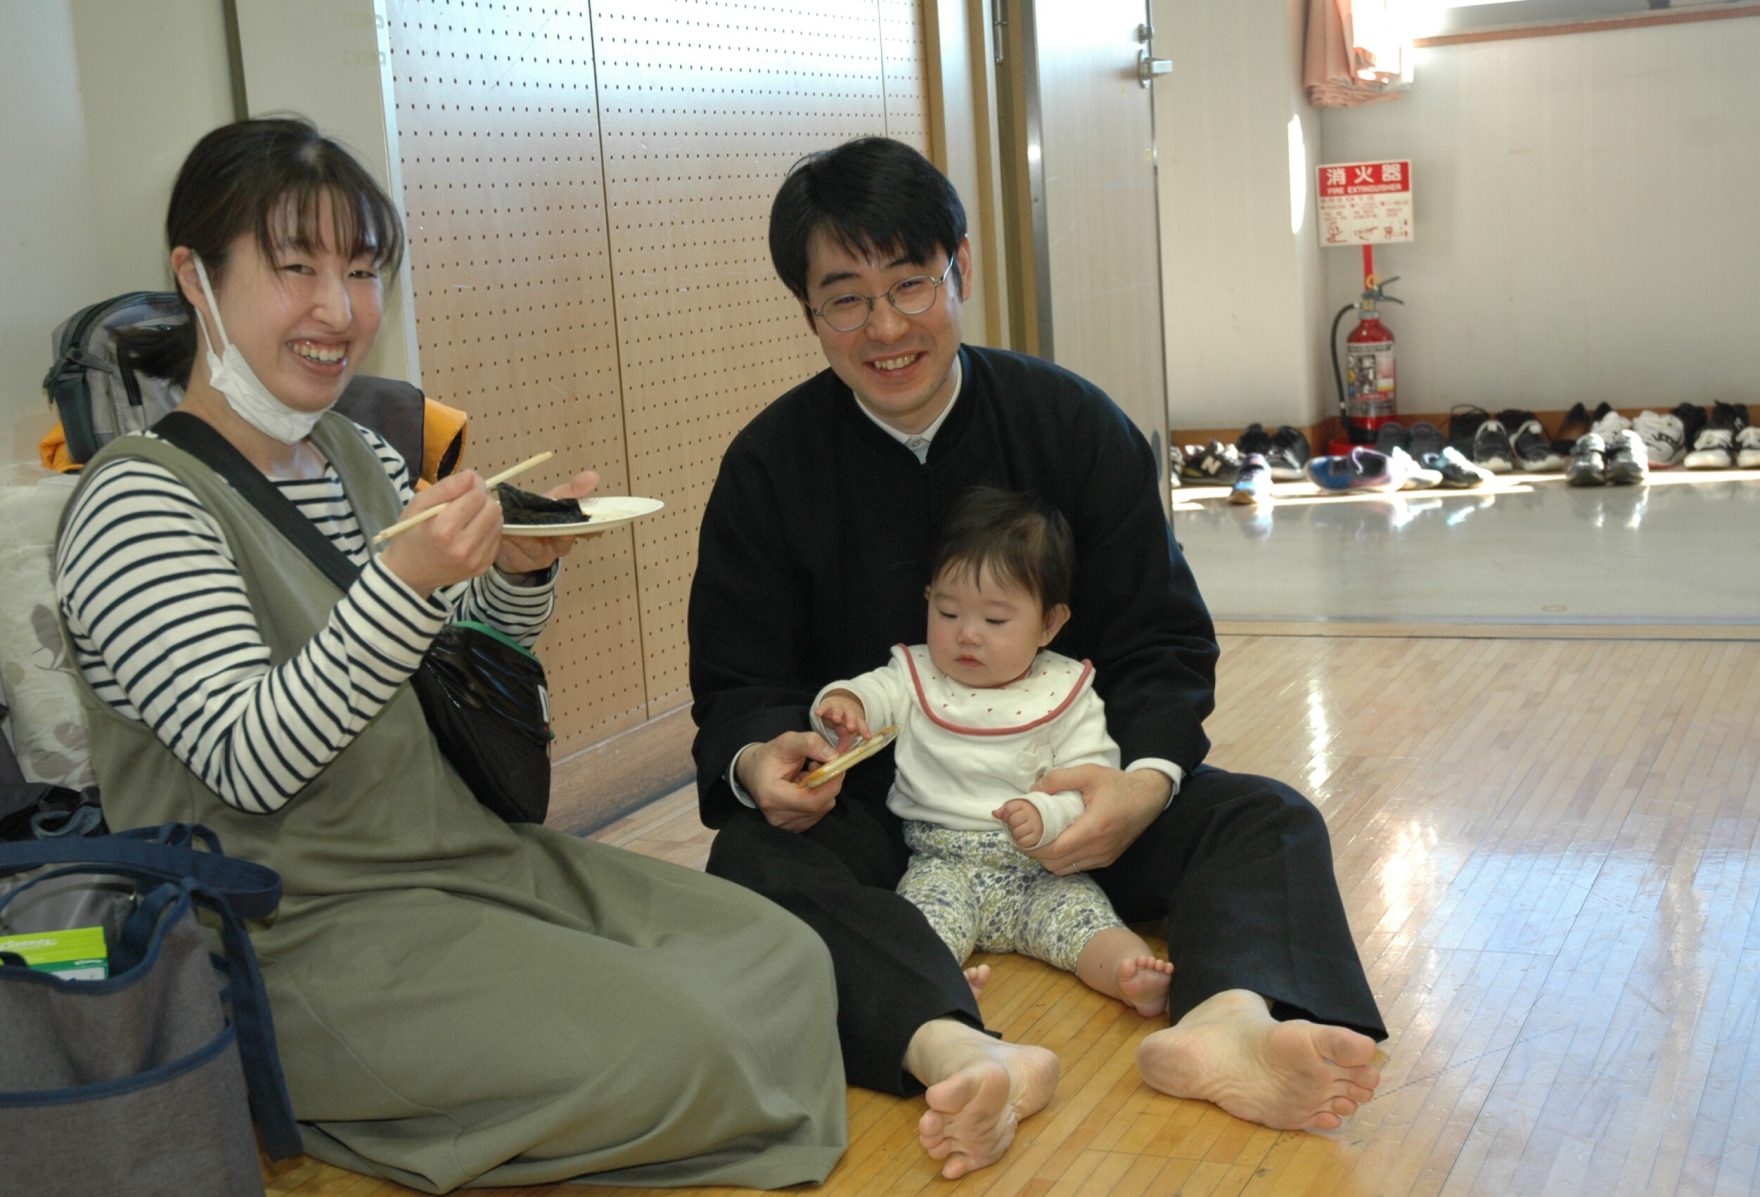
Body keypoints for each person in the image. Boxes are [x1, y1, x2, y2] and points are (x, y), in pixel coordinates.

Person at [54, 117, 847, 1195]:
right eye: (296, 269)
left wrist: (515, 568)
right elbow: (252, 759)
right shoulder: (137, 502)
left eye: (361, 270)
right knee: (690, 1041)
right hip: (297, 931)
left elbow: (454, 661)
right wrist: (404, 584)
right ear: (197, 277)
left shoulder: (355, 450)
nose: (340, 310)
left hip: (464, 862)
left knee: (787, 957)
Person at [688, 135, 1388, 1179]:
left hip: (1076, 804)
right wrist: (761, 762)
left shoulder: (1071, 425)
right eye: (846, 299)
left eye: (911, 283)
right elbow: (740, 681)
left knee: (1266, 818)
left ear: (960, 267)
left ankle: (1230, 1024)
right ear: (807, 311)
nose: (886, 327)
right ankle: (957, 1049)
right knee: (752, 863)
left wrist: (1138, 788)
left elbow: (1160, 638)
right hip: (885, 818)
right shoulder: (769, 466)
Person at [811, 485, 1175, 1017]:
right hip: (941, 864)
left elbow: (1094, 782)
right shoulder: (914, 673)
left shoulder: (1066, 690)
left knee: (1087, 922)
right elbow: (873, 693)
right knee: (917, 927)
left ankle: (1129, 974)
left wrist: (1046, 815)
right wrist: (845, 703)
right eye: (947, 612)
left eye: (995, 621)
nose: (967, 635)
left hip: (1042, 869)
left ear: (1049, 623)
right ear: (928, 599)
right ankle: (939, 988)